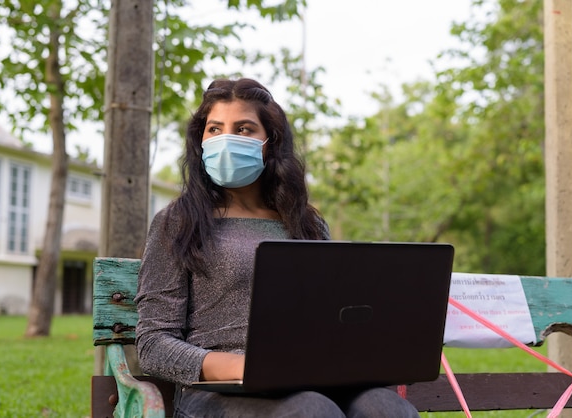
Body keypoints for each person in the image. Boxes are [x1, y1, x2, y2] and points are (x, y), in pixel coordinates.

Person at [135, 78, 420, 418]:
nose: (226, 140)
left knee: (386, 408)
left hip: (308, 379)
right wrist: (240, 366)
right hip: (213, 392)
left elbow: (332, 323)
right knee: (311, 411)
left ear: (270, 143)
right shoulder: (178, 221)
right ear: (200, 141)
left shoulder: (307, 225)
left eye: (243, 129)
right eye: (214, 129)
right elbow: (153, 344)